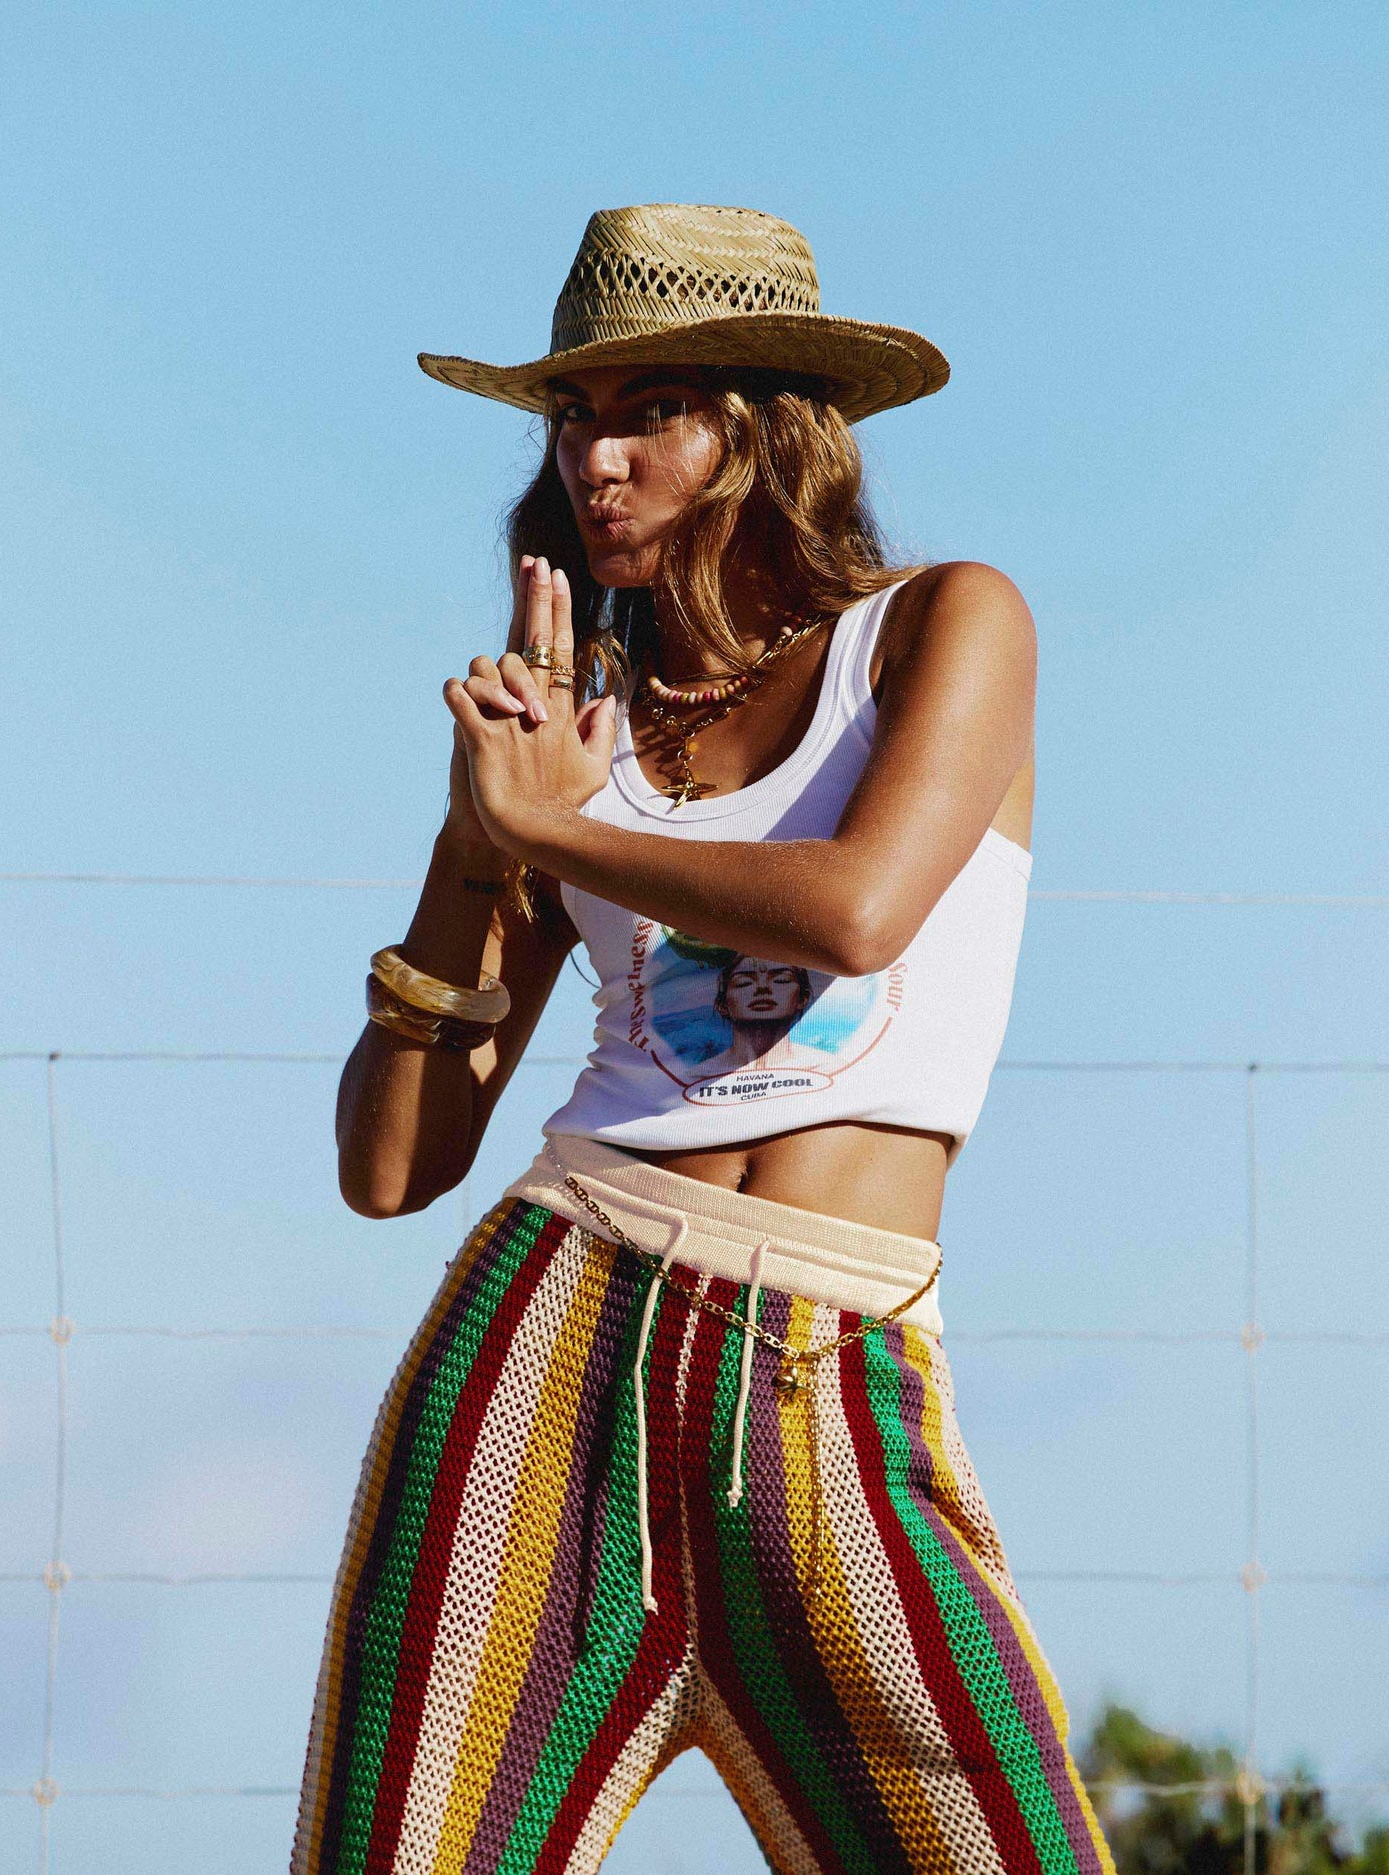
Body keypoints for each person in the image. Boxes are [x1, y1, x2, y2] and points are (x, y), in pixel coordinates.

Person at [292, 204, 1114, 1875]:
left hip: (830, 1370)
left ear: (762, 429)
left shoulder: (947, 627)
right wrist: (480, 842)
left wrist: (565, 834)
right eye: (575, 419)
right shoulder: (569, 736)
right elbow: (391, 1169)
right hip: (546, 1346)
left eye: (648, 411)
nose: (596, 458)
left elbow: (858, 910)